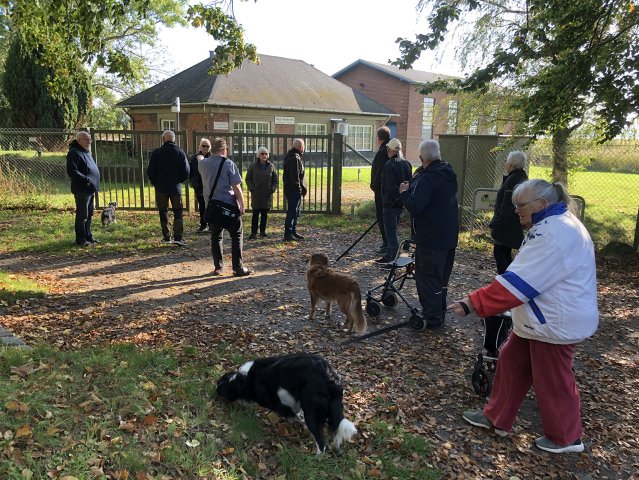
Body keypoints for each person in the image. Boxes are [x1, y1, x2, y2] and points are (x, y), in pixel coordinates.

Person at [449, 179, 598, 454]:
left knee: (553, 379)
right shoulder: (550, 225)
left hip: (554, 322)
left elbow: (520, 282)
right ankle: (497, 418)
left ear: (542, 204)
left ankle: (566, 438)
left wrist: (474, 302)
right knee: (511, 361)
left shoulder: (556, 233)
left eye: (521, 205)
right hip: (540, 320)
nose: (516, 210)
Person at [399, 139, 458, 328]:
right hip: (448, 236)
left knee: (427, 278)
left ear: (422, 157)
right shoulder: (447, 173)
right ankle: (438, 312)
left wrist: (404, 193)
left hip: (431, 238)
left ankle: (432, 317)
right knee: (441, 278)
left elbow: (415, 206)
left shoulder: (428, 178)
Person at [199, 137, 252, 277]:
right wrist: (242, 204)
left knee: (215, 236)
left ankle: (218, 267)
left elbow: (199, 159)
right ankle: (238, 268)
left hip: (211, 207)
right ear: (224, 149)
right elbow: (236, 187)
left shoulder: (203, 164)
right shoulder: (228, 164)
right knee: (237, 235)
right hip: (228, 206)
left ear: (212, 149)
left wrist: (200, 155)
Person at [147, 130, 190, 246]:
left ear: (163, 139)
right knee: (178, 212)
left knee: (163, 211)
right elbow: (186, 171)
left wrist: (156, 182)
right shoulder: (180, 152)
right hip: (175, 187)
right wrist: (178, 181)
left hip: (161, 187)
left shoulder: (157, 153)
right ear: (174, 139)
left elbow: (150, 171)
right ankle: (178, 237)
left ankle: (166, 236)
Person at [489, 151, 529, 274]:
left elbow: (507, 204)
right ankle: (508, 282)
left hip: (506, 224)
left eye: (507, 162)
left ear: (511, 164)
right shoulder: (521, 177)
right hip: (512, 223)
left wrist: (496, 222)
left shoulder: (513, 180)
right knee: (505, 254)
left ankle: (506, 284)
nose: (506, 164)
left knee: (500, 254)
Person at [375, 138, 412, 264]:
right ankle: (389, 254)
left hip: (390, 203)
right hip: (401, 203)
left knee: (390, 232)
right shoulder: (407, 164)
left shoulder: (389, 165)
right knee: (392, 229)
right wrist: (403, 199)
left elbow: (390, 186)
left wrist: (392, 198)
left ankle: (392, 258)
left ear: (389, 150)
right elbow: (409, 183)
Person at [66, 130, 100, 246]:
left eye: (90, 139)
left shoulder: (85, 151)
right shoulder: (74, 152)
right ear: (79, 140)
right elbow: (71, 171)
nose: (89, 142)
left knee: (89, 214)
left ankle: (88, 237)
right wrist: (86, 180)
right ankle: (80, 240)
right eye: (87, 140)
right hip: (82, 189)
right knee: (82, 215)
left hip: (90, 189)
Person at [245, 146, 278, 239]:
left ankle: (263, 231)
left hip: (266, 195)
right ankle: (253, 232)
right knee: (255, 214)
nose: (264, 155)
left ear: (268, 155)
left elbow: (275, 180)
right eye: (262, 154)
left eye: (266, 154)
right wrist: (252, 188)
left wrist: (272, 189)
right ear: (258, 155)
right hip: (256, 194)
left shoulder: (271, 166)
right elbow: (248, 179)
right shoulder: (253, 166)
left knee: (264, 214)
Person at [370, 126, 391, 255]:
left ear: (378, 138)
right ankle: (388, 242)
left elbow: (379, 171)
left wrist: (374, 186)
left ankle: (386, 243)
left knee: (382, 216)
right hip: (389, 190)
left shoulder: (383, 151)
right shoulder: (393, 148)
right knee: (387, 217)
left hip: (382, 190)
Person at [283, 138, 307, 241]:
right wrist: (298, 189)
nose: (304, 148)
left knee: (295, 212)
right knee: (292, 212)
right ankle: (288, 234)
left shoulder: (292, 156)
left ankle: (293, 232)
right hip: (294, 190)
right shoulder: (294, 158)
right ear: (301, 147)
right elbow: (295, 176)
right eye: (303, 146)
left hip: (291, 190)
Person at [190, 138, 212, 233]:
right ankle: (203, 224)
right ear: (200, 146)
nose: (205, 148)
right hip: (199, 186)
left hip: (209, 185)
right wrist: (193, 181)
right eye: (203, 145)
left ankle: (211, 225)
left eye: (207, 146)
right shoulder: (195, 158)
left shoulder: (212, 158)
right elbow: (191, 172)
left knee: (211, 205)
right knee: (202, 205)